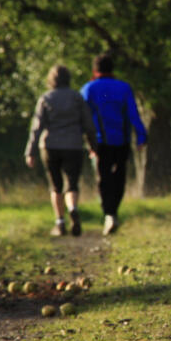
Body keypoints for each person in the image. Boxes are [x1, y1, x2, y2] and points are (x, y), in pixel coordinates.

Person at [25, 64, 98, 236]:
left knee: (56, 185)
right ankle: (73, 208)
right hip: (73, 145)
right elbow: (88, 124)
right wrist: (93, 146)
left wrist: (30, 151)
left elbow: (36, 127)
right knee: (72, 183)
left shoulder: (46, 98)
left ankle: (60, 222)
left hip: (50, 146)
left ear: (51, 80)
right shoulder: (77, 98)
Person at [80, 53, 147, 235]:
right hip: (122, 141)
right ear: (112, 70)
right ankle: (113, 213)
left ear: (95, 71)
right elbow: (133, 114)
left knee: (103, 179)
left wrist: (83, 140)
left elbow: (83, 117)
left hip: (99, 142)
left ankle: (108, 214)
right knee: (119, 178)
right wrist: (141, 136)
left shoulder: (88, 89)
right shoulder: (124, 88)